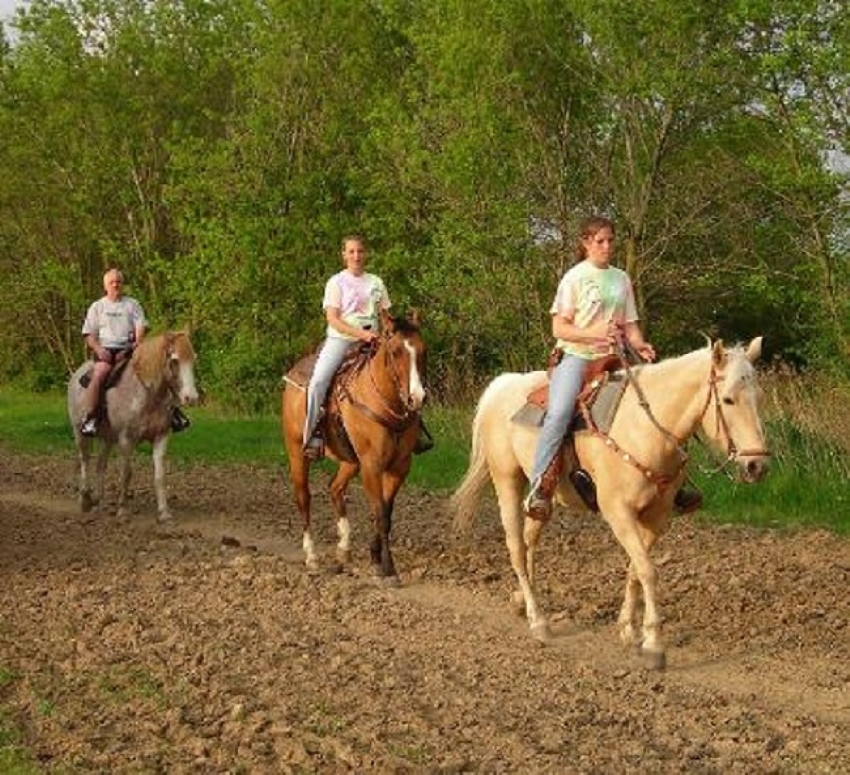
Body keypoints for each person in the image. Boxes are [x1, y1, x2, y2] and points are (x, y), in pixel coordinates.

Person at [523, 216, 701, 519]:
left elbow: (630, 324)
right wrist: (594, 335)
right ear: (586, 243)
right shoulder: (574, 278)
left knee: (656, 406)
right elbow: (559, 328)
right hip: (577, 356)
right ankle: (542, 485)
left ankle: (672, 484)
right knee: (561, 411)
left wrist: (640, 344)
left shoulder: (621, 279)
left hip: (616, 357)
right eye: (600, 241)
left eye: (610, 240)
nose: (607, 246)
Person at [303, 234, 433, 459]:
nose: (356, 256)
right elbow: (332, 318)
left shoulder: (376, 282)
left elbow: (385, 315)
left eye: (360, 251)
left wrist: (397, 330)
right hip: (341, 340)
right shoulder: (336, 282)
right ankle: (313, 435)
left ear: (366, 254)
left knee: (402, 373)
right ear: (344, 255)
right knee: (319, 381)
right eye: (351, 252)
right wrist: (360, 334)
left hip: (374, 340)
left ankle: (414, 430)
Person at [79, 268, 190, 437]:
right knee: (100, 375)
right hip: (106, 351)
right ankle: (91, 418)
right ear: (105, 286)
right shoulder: (97, 307)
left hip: (130, 349)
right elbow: (89, 335)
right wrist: (99, 350)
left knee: (159, 371)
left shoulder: (132, 304)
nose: (116, 285)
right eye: (112, 282)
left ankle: (174, 413)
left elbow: (140, 326)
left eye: (119, 282)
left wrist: (136, 343)